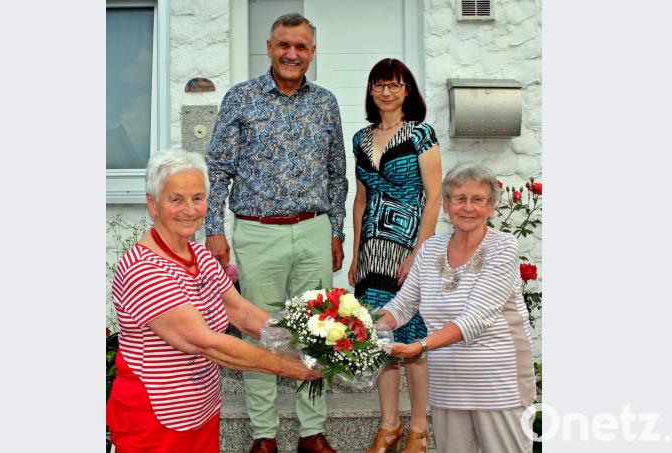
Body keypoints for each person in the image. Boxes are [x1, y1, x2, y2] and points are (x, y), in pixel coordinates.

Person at [106, 148, 321, 453]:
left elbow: (243, 313)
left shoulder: (199, 255)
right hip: (155, 421)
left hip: (201, 413)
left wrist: (308, 344)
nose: (189, 209)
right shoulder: (144, 269)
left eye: (197, 198)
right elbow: (206, 343)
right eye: (176, 199)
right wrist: (290, 367)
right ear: (153, 205)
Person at [204, 12, 347, 453]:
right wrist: (213, 228)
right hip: (257, 232)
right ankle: (263, 434)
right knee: (260, 332)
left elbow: (337, 174)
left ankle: (311, 431)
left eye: (300, 46)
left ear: (312, 52)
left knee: (319, 331)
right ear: (269, 48)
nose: (291, 53)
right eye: (284, 45)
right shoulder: (241, 99)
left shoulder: (325, 103)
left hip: (314, 229)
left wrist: (336, 231)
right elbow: (218, 169)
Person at [377, 162, 537, 453]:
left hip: (500, 386)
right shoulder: (430, 249)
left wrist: (418, 347)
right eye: (460, 198)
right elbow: (402, 305)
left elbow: (474, 319)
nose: (468, 207)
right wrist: (358, 325)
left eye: (478, 199)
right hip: (447, 386)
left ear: (491, 207)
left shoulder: (504, 247)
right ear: (446, 204)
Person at [346, 58, 442, 453]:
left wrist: (420, 252)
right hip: (372, 251)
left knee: (413, 337)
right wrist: (356, 254)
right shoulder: (360, 139)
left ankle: (418, 428)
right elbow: (361, 198)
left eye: (394, 85)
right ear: (371, 90)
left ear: (407, 91)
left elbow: (434, 197)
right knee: (379, 337)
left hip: (408, 246)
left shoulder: (421, 133)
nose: (386, 92)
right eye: (379, 85)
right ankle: (389, 425)